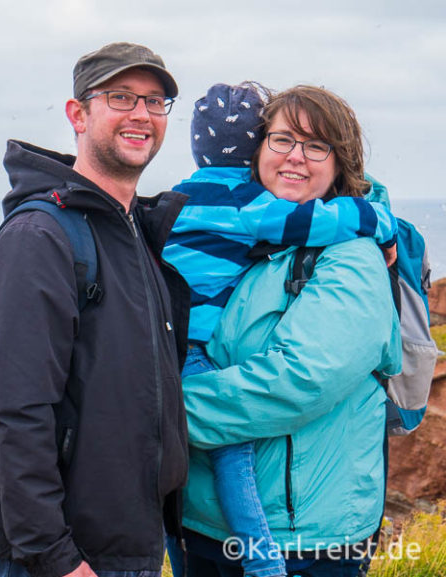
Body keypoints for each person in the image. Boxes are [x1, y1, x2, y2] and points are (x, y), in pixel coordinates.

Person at [0, 42, 191, 577]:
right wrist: (56, 556)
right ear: (78, 114)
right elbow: (18, 410)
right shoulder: (40, 236)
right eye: (121, 97)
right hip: (67, 559)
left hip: (130, 542)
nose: (141, 114)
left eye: (155, 102)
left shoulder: (130, 231)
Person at [161, 83, 399, 577]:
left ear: (340, 162)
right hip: (202, 526)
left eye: (316, 146)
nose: (296, 157)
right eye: (282, 139)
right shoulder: (247, 237)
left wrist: (149, 414)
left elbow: (298, 383)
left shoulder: (350, 254)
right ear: (257, 147)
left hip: (302, 542)